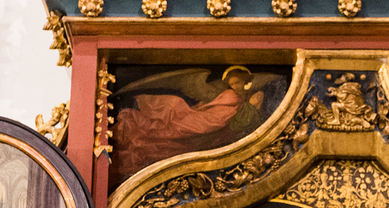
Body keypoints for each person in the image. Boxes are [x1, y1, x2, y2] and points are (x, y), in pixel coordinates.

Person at [112, 66, 271, 180]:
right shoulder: (231, 95)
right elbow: (218, 114)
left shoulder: (253, 95)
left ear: (245, 80)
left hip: (217, 134)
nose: (235, 86)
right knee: (175, 120)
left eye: (237, 82)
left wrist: (252, 107)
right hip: (208, 122)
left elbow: (245, 123)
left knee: (176, 143)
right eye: (232, 83)